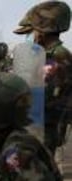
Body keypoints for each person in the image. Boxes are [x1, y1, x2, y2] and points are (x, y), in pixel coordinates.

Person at [14, 0, 72, 155]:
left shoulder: (57, 56)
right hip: (38, 124)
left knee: (40, 171)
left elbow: (47, 96)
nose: (28, 37)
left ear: (42, 31)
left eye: (30, 32)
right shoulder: (41, 55)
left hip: (45, 126)